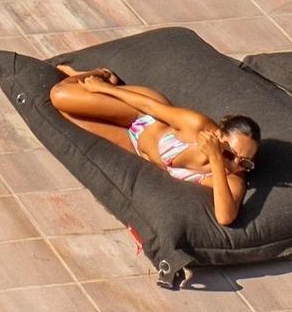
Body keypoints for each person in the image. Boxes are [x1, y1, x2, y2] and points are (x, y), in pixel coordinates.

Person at [45, 63, 260, 229]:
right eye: (230, 155)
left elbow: (225, 217)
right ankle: (101, 73)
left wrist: (216, 159)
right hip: (141, 117)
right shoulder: (197, 125)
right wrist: (104, 88)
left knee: (65, 117)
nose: (235, 165)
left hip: (134, 145)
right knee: (59, 95)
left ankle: (91, 88)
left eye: (246, 163)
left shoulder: (233, 178)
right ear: (216, 135)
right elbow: (150, 106)